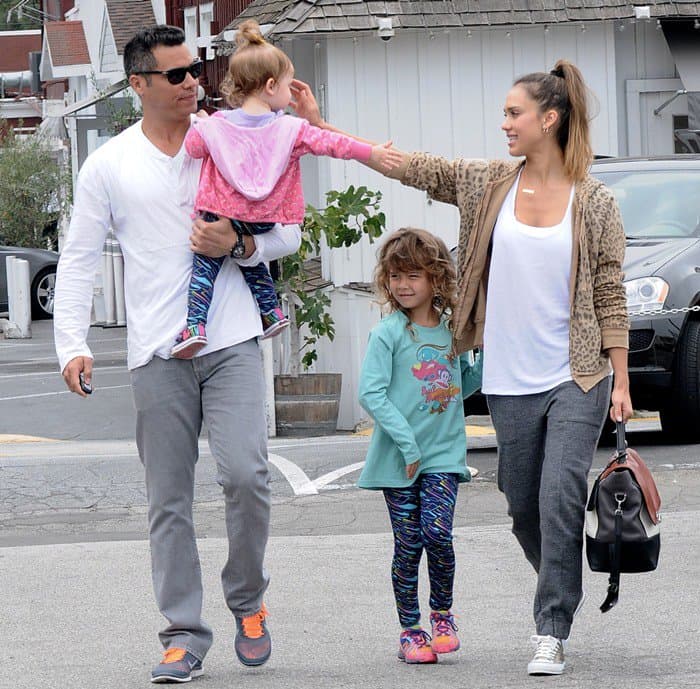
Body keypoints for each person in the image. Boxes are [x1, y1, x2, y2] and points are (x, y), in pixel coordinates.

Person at [292, 59, 633, 675]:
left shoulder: (597, 201)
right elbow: (412, 165)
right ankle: (563, 573)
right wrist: (325, 127)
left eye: (513, 113)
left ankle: (551, 627)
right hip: (508, 377)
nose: (503, 123)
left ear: (548, 120)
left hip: (577, 373)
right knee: (523, 505)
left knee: (560, 496)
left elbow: (610, 290)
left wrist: (621, 381)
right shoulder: (486, 184)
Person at [53, 25, 301, 684]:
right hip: (156, 351)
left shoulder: (229, 139)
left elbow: (288, 231)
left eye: (197, 70)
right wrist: (71, 342)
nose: (195, 82)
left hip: (232, 338)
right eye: (177, 74)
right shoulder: (109, 163)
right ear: (139, 84)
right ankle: (183, 633)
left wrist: (242, 247)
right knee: (169, 499)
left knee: (246, 476)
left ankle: (248, 601)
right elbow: (78, 258)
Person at [172, 19, 401, 358]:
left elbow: (191, 149)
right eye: (286, 86)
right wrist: (374, 152)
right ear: (269, 86)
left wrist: (204, 125)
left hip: (220, 212)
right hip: (266, 217)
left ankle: (195, 325)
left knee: (204, 266)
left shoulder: (217, 126)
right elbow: (333, 144)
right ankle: (271, 312)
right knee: (253, 262)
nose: (289, 94)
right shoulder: (290, 130)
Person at [358, 228, 482, 665]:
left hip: (443, 457)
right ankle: (411, 631)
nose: (403, 284)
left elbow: (459, 388)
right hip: (399, 459)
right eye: (395, 276)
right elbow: (371, 394)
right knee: (408, 544)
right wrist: (408, 445)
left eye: (412, 275)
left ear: (435, 278)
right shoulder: (388, 334)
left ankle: (442, 615)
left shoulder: (452, 332)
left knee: (438, 535)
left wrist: (479, 356)